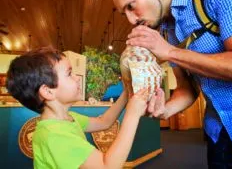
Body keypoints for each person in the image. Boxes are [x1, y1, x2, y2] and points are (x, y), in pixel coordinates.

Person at [110, 0, 232, 168]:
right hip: (218, 135)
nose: (131, 20)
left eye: (131, 6)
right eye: (124, 13)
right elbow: (188, 89)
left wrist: (170, 52)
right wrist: (165, 109)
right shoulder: (167, 31)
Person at [6, 47, 152, 169]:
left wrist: (127, 92)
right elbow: (107, 167)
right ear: (48, 91)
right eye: (69, 74)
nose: (77, 78)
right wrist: (132, 114)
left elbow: (104, 121)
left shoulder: (68, 119)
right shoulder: (54, 136)